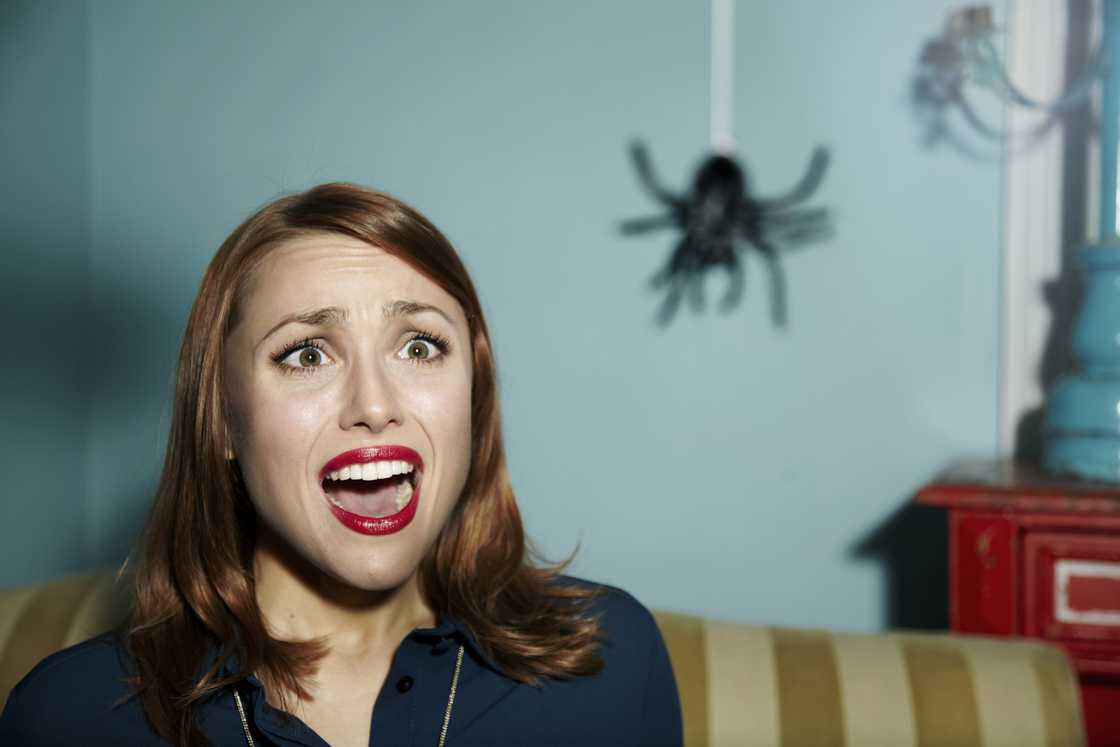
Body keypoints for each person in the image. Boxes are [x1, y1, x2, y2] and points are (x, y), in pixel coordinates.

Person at [0, 183, 682, 746]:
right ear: (223, 421)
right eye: (306, 353)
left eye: (419, 345)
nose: (375, 404)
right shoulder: (67, 718)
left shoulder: (612, 659)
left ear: (473, 399)